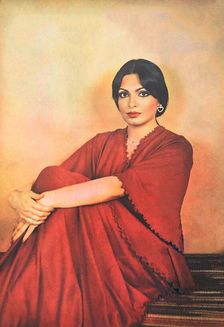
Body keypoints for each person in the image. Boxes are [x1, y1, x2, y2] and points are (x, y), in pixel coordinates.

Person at [0, 59, 195, 327]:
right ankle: (34, 291)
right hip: (96, 244)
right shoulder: (103, 142)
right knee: (53, 177)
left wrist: (45, 202)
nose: (132, 103)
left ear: (159, 99)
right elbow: (53, 180)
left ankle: (25, 294)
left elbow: (114, 186)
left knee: (60, 190)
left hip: (143, 254)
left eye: (143, 93)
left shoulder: (176, 148)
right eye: (124, 94)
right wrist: (17, 198)